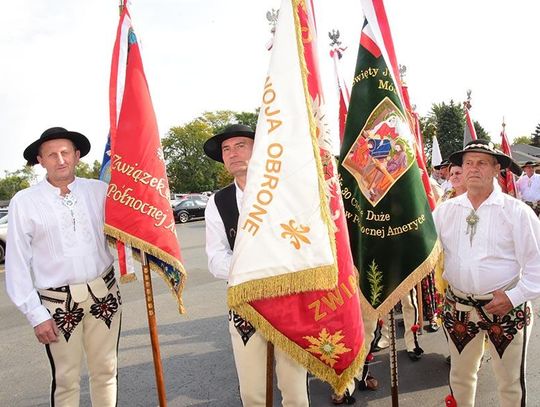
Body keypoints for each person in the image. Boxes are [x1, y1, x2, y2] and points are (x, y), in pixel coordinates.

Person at [5, 127, 121, 406]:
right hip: (57, 304)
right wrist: (35, 314)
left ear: (77, 155)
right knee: (66, 379)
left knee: (106, 371)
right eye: (52, 154)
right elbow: (17, 262)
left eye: (65, 152)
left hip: (104, 294)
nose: (60, 159)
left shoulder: (100, 191)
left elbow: (127, 228)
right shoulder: (24, 201)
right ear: (40, 160)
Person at [203, 124, 310, 407]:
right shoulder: (217, 202)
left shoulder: (286, 190)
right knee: (252, 393)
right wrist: (257, 270)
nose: (232, 153)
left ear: (258, 148)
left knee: (295, 391)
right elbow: (215, 259)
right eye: (226, 149)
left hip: (287, 300)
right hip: (244, 303)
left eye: (240, 146)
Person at [433, 139, 540, 407]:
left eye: (482, 162)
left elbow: (537, 265)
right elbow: (423, 252)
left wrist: (515, 296)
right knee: (460, 378)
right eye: (468, 162)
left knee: (510, 384)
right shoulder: (445, 211)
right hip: (458, 308)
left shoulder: (517, 212)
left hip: (506, 310)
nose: (473, 168)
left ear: (496, 169)